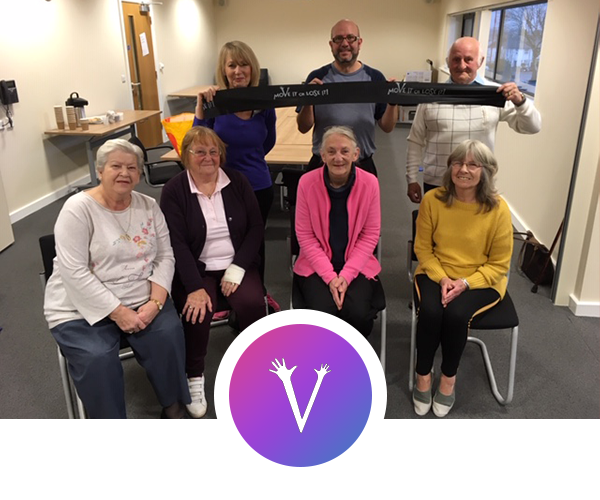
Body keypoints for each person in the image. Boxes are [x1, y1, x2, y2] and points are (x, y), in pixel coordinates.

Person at [44, 139, 190, 419]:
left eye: (132, 167)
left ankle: (173, 405)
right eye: (116, 166)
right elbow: (74, 271)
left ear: (139, 174)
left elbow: (165, 257)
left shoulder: (149, 206)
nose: (124, 173)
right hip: (79, 306)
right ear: (100, 171)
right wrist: (118, 311)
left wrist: (156, 303)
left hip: (141, 298)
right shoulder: (78, 209)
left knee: (168, 336)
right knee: (97, 358)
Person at [160, 126, 267, 418]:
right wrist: (194, 286)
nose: (208, 157)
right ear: (186, 155)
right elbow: (176, 243)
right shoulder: (174, 190)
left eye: (213, 151)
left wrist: (238, 268)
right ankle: (194, 375)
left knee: (252, 303)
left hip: (237, 264)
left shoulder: (237, 181)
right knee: (197, 311)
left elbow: (256, 227)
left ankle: (256, 365)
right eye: (200, 152)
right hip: (197, 269)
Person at [412, 140, 513, 417]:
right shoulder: (433, 200)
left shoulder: (498, 209)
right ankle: (423, 375)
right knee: (431, 311)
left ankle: (448, 380)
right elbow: (423, 249)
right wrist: (442, 278)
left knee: (456, 315)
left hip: (482, 278)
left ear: (486, 171)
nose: (463, 169)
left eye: (472, 164)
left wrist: (465, 283)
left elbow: (499, 264)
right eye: (457, 162)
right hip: (436, 271)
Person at [193, 41, 279, 313]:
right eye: (232, 65)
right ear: (224, 70)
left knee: (254, 244)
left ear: (253, 69)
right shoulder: (216, 101)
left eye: (244, 64)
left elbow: (268, 142)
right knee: (224, 240)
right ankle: (226, 297)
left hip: (258, 186)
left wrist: (248, 158)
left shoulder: (264, 104)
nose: (238, 71)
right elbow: (197, 141)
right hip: (222, 187)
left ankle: (258, 293)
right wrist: (200, 108)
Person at [406, 36, 542, 203]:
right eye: (456, 59)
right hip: (438, 182)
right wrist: (411, 178)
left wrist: (521, 102)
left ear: (480, 61)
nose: (462, 65)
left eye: (468, 59)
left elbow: (533, 127)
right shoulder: (431, 96)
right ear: (448, 62)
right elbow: (415, 140)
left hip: (479, 184)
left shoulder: (496, 95)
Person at [293, 126, 382, 337]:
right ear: (322, 155)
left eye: (344, 151)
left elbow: (370, 235)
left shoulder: (370, 183)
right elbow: (305, 236)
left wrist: (346, 275)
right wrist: (331, 278)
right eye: (331, 151)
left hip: (357, 264)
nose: (338, 158)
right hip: (316, 265)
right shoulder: (306, 183)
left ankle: (351, 355)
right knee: (322, 314)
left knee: (359, 314)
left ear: (356, 154)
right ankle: (326, 357)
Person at [296, 19, 399, 176]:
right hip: (323, 166)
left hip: (362, 166)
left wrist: (392, 103)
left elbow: (387, 127)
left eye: (350, 38)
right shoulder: (317, 78)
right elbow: (303, 128)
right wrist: (308, 100)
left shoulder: (375, 78)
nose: (345, 44)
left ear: (359, 42)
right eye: (338, 39)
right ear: (331, 44)